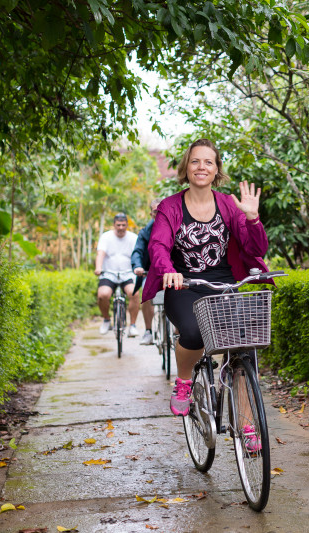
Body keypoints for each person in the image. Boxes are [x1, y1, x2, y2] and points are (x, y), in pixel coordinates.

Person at [141, 138, 269, 417]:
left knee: (242, 348)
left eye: (208, 162)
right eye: (195, 161)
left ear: (216, 170)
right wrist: (169, 272)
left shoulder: (228, 205)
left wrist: (252, 219)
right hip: (185, 284)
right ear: (186, 168)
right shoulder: (170, 206)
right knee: (194, 333)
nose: (201, 167)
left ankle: (248, 424)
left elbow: (256, 249)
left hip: (225, 284)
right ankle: (184, 381)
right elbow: (158, 245)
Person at [95, 212, 140, 337]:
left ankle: (132, 325)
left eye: (123, 225)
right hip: (109, 273)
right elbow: (100, 253)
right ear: (114, 225)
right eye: (118, 225)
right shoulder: (106, 237)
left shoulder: (133, 238)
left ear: (127, 225)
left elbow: (137, 255)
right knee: (103, 295)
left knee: (134, 293)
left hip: (128, 274)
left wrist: (138, 268)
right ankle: (106, 320)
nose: (121, 227)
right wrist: (98, 268)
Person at [132, 199, 161, 345]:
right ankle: (148, 331)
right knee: (147, 293)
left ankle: (178, 330)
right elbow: (138, 251)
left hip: (172, 272)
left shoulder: (177, 227)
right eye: (156, 211)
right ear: (151, 214)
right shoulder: (145, 232)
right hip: (150, 272)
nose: (160, 213)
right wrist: (137, 266)